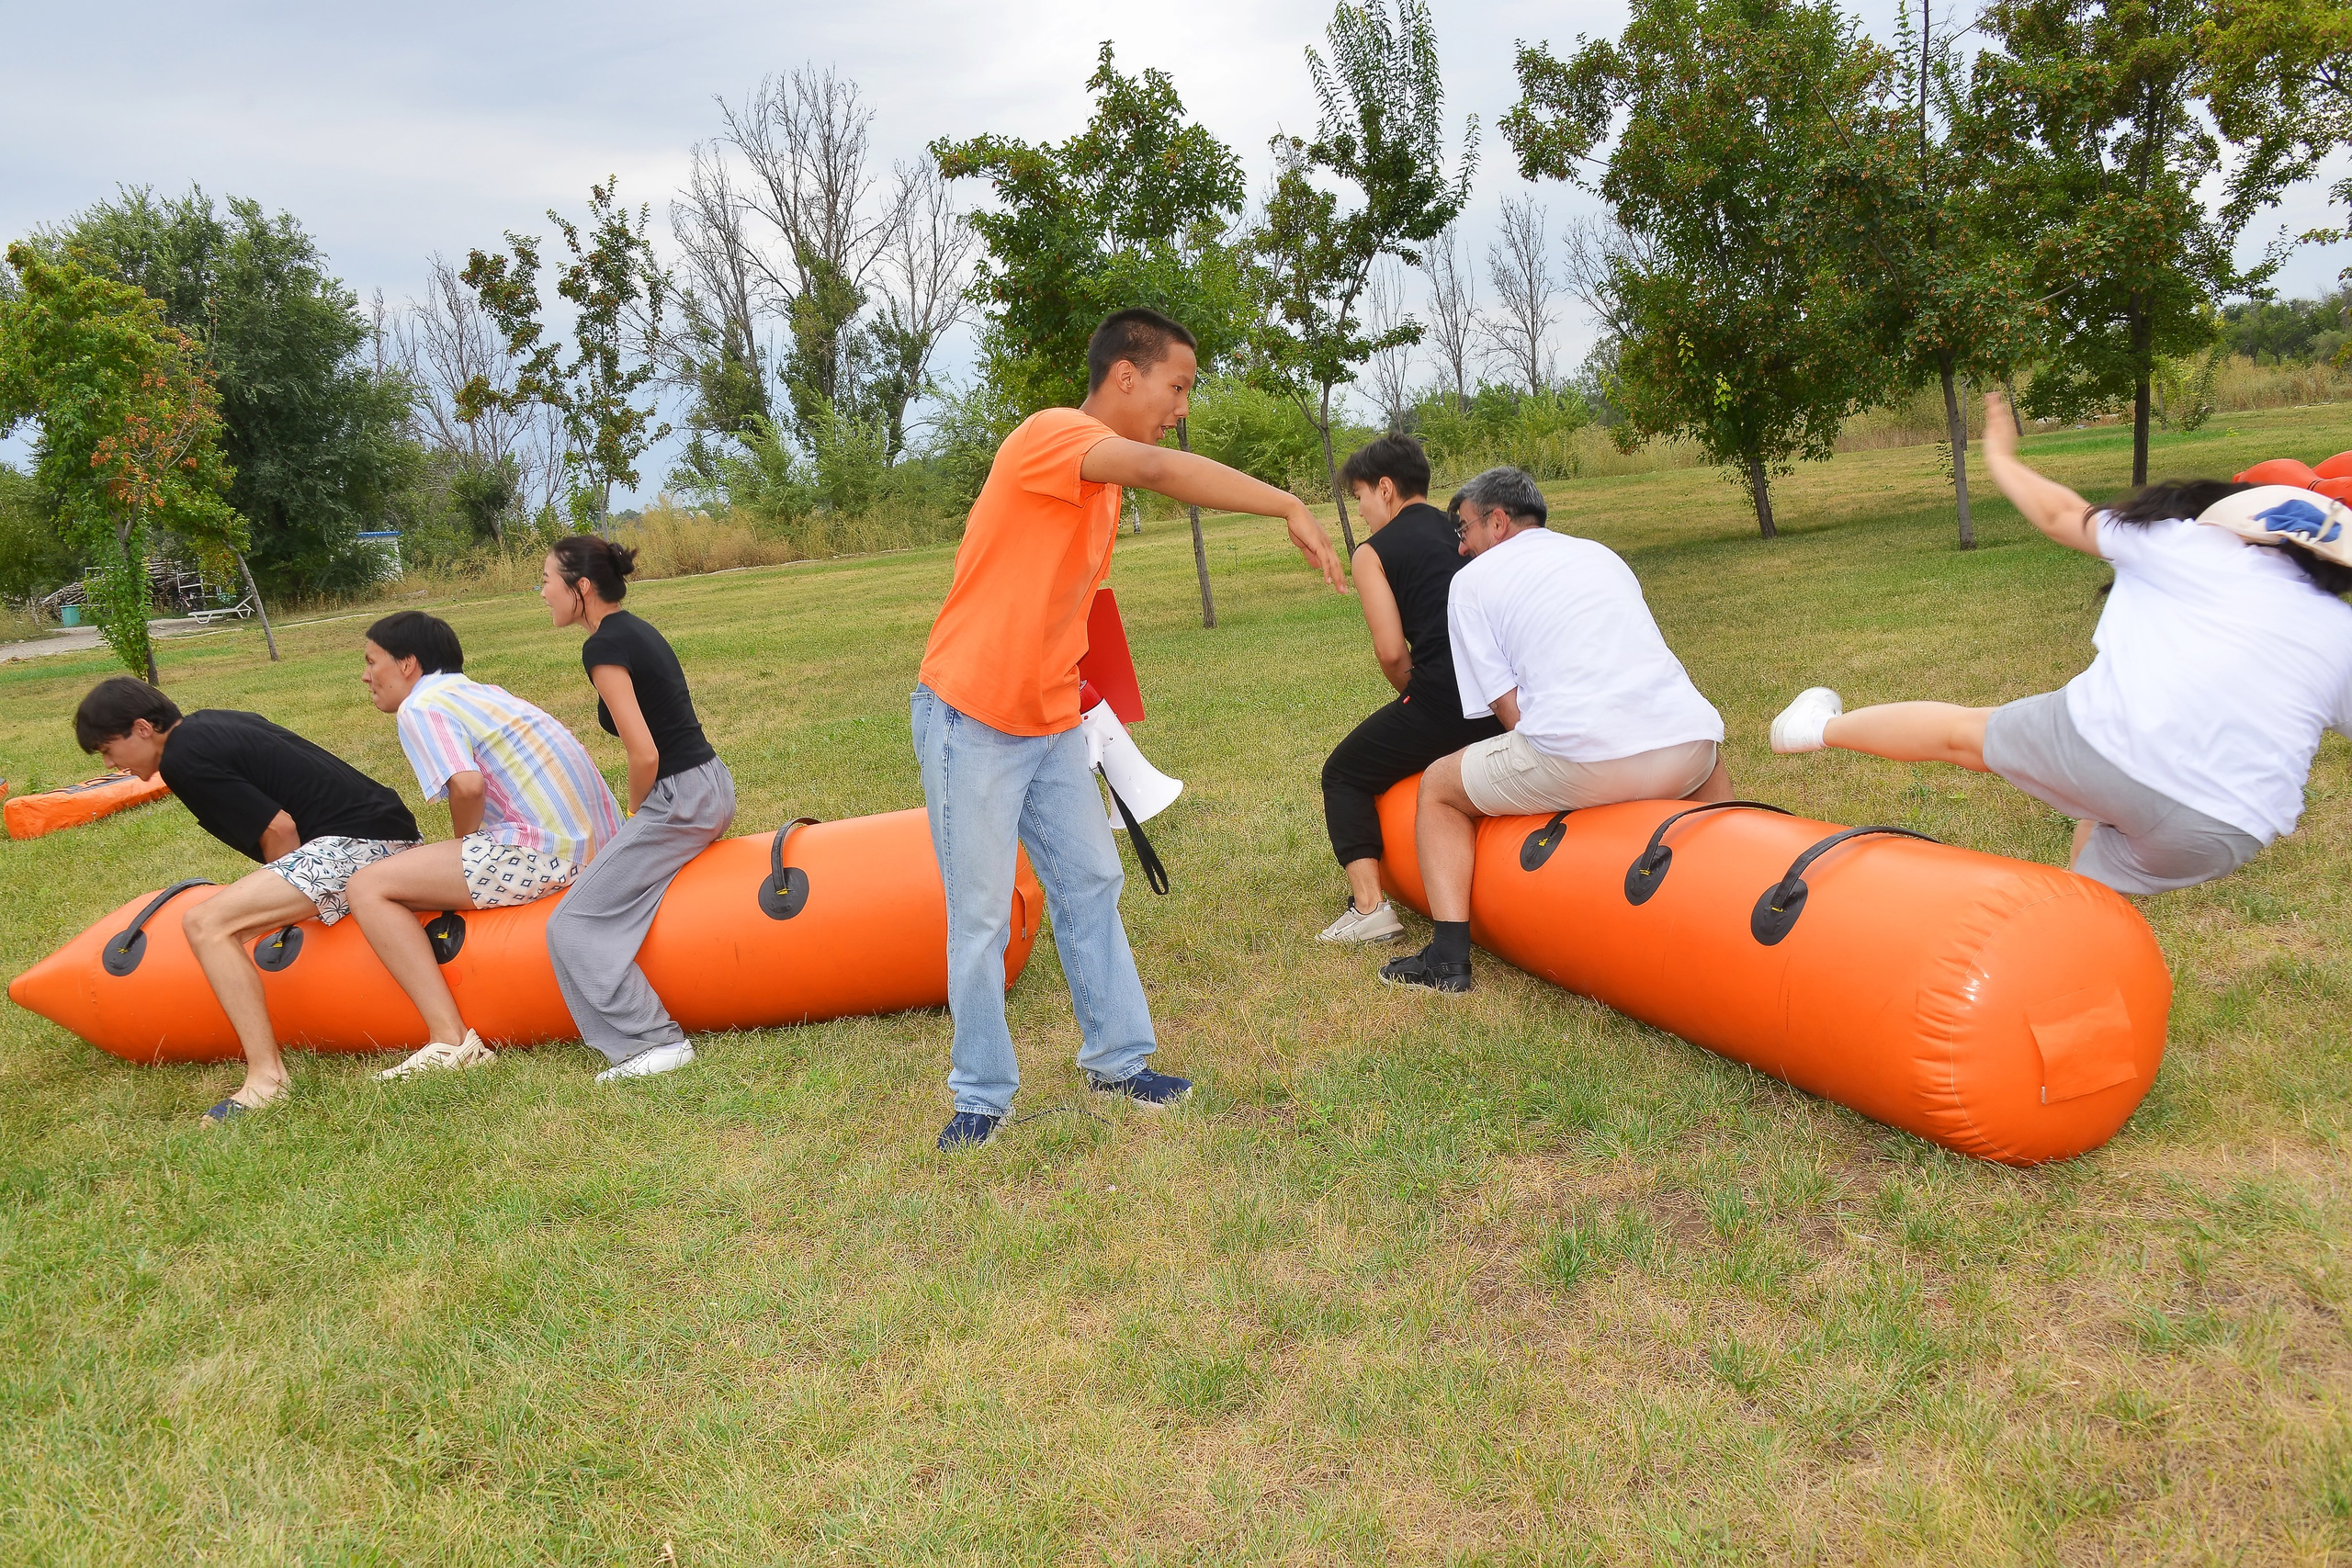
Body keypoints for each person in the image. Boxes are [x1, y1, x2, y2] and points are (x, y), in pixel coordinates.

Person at [913, 306, 1347, 1150]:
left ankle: (1118, 1060)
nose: (1181, 407)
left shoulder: (1100, 490)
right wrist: (1286, 501)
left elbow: (1071, 604)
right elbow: (1159, 465)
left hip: (1049, 721)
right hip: (972, 716)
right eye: (1176, 386)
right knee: (980, 916)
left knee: (1091, 885)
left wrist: (1093, 714)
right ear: (1125, 374)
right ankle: (981, 1096)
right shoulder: (1050, 435)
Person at [1770, 390, 2352, 896]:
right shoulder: (2339, 631)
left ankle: (1812, 730)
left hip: (2108, 746)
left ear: (2246, 520)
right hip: (2223, 832)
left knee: (1961, 734)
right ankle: (2077, 942)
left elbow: (2059, 514)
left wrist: (2000, 454)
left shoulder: (2195, 547)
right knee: (2093, 863)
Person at [1381, 466, 1730, 995]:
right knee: (1697, 755)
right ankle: (1732, 901)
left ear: (1497, 522)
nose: (1460, 547)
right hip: (1691, 748)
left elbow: (1508, 710)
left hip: (1583, 757)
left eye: (1465, 530)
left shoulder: (1471, 581)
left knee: (1438, 788)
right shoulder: (1601, 554)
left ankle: (1447, 957)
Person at [72, 676, 424, 1123]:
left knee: (207, 924)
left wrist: (282, 903)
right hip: (384, 834)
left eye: (107, 749)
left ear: (142, 728)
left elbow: (279, 831)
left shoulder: (183, 758)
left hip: (362, 847)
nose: (109, 763)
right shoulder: (212, 724)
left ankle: (266, 1078)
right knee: (225, 915)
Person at [349, 610, 622, 1077]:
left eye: (373, 661)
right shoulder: (485, 694)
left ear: (408, 664)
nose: (366, 675)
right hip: (602, 849)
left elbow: (468, 786)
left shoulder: (422, 706)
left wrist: (466, 843)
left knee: (365, 887)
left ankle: (450, 1040)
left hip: (547, 856)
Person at [538, 536, 735, 1082]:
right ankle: (641, 1038)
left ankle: (655, 1039)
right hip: (708, 786)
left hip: (680, 799)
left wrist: (635, 816)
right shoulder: (637, 629)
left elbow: (643, 750)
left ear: (581, 588)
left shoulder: (601, 646)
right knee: (601, 904)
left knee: (570, 924)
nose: (543, 593)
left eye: (548, 581)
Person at [1316, 434, 1502, 942]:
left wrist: (1414, 696)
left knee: (1344, 772)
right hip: (1503, 700)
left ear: (1385, 489)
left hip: (1445, 698)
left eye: (1360, 500)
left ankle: (1369, 906)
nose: (1362, 513)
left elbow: (1393, 653)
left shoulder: (1372, 552)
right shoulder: (1463, 530)